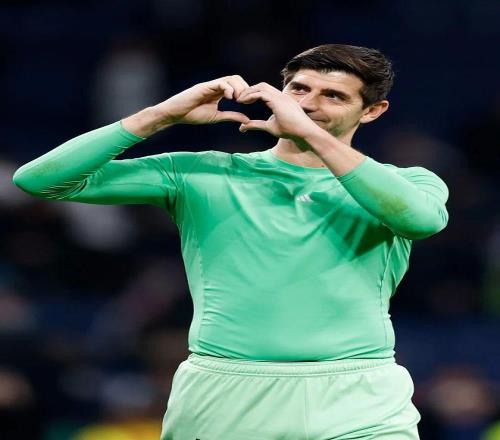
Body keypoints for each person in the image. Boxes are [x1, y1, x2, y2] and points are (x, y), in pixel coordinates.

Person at [12, 44, 449, 439]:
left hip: (357, 395)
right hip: (224, 391)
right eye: (298, 89)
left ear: (371, 111)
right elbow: (40, 180)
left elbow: (420, 221)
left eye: (333, 96)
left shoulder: (407, 182)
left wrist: (309, 133)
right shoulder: (203, 172)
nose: (307, 104)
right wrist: (160, 115)